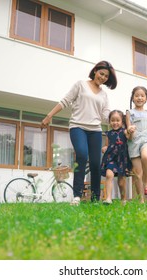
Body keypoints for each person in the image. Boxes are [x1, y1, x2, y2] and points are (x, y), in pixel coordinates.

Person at [41, 61, 117, 205]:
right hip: (78, 127)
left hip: (95, 130)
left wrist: (119, 121)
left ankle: (95, 198)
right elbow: (65, 101)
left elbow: (105, 116)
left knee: (95, 163)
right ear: (95, 71)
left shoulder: (104, 95)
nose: (103, 77)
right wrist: (49, 116)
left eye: (106, 76)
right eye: (101, 73)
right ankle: (77, 196)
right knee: (82, 155)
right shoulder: (81, 85)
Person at [100, 110, 132, 205]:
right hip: (111, 158)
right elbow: (107, 145)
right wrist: (105, 148)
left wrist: (129, 125)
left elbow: (130, 138)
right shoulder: (108, 134)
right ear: (109, 121)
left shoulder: (125, 132)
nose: (115, 122)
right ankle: (109, 198)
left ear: (122, 121)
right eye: (112, 120)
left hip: (122, 159)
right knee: (109, 175)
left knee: (121, 182)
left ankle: (123, 199)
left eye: (117, 120)